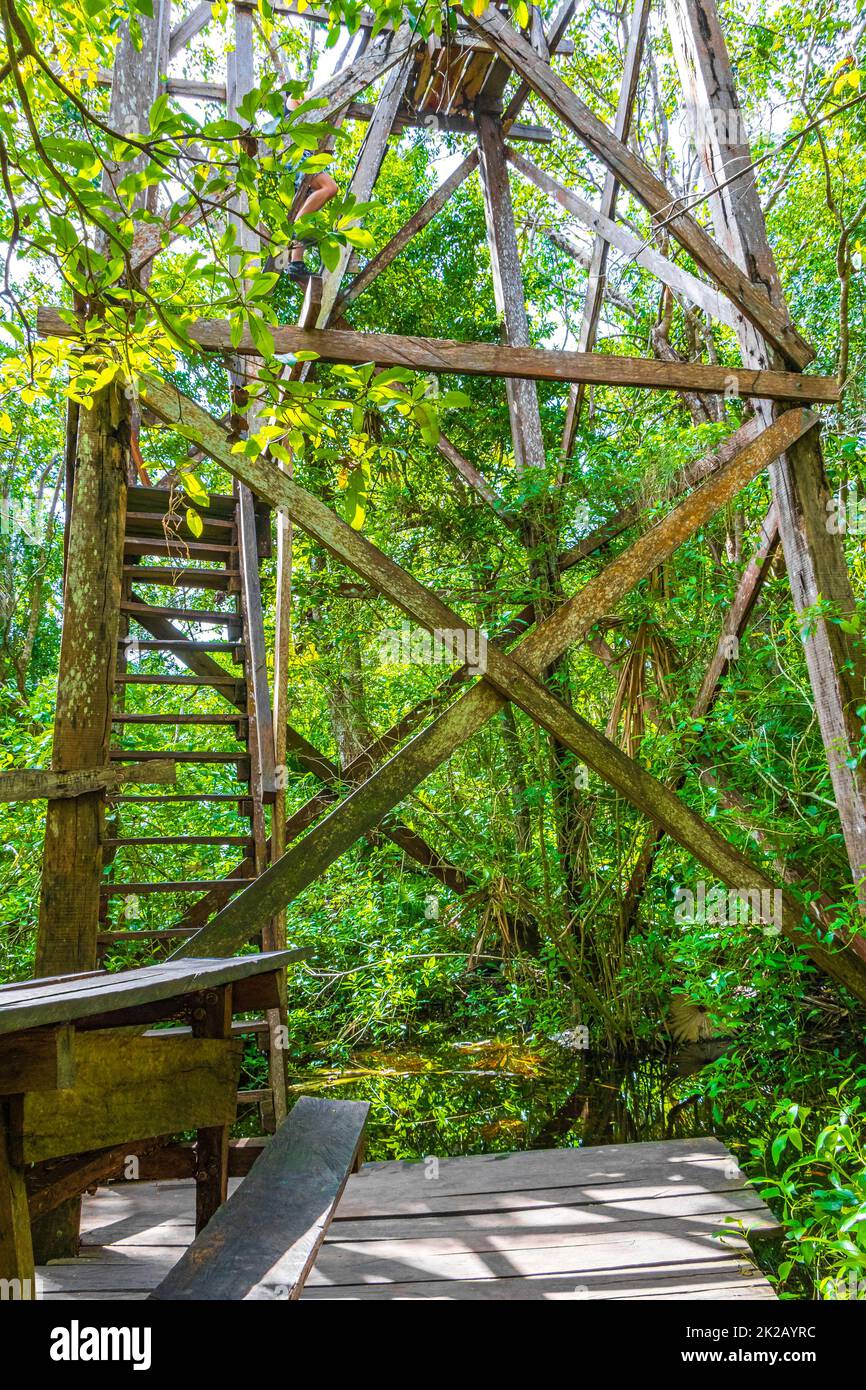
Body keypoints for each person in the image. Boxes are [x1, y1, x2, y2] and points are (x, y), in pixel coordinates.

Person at [268, 92, 339, 285]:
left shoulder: (298, 116)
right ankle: (296, 227)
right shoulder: (292, 100)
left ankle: (296, 263)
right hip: (298, 158)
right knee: (330, 188)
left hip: (301, 157)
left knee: (308, 212)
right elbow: (320, 96)